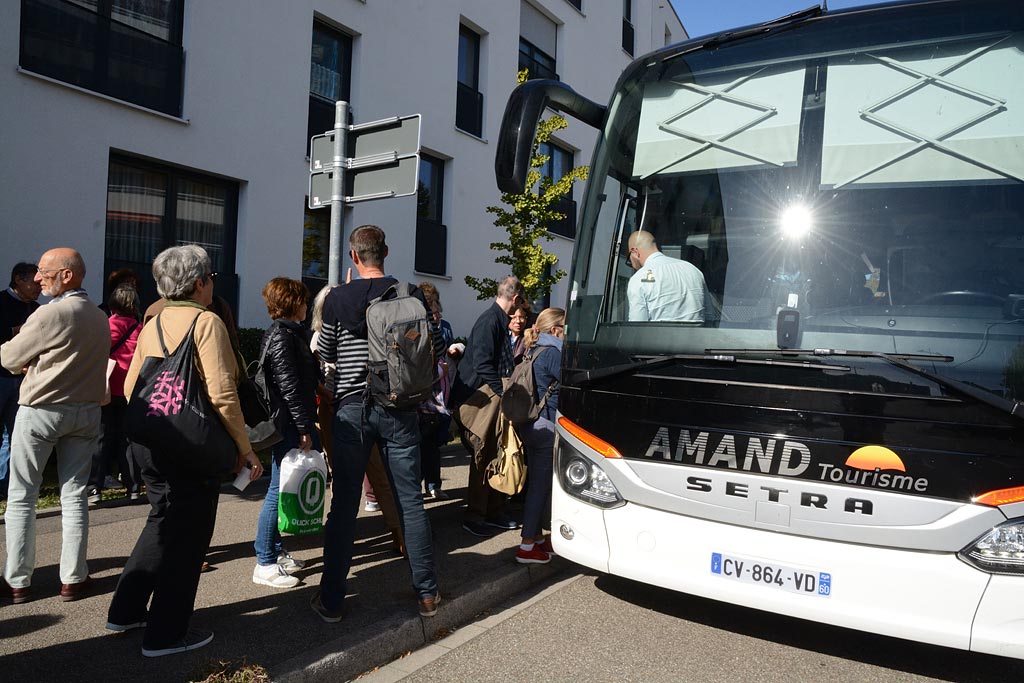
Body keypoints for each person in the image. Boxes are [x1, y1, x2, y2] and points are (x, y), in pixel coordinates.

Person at [106, 245, 262, 657]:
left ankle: (126, 610)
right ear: (199, 283)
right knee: (189, 537)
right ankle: (166, 634)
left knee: (161, 520)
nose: (213, 284)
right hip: (190, 446)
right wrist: (244, 448)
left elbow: (128, 388)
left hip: (147, 442)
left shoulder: (153, 321)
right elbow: (223, 394)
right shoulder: (206, 322)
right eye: (211, 277)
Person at [314, 224, 444, 622]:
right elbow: (433, 350)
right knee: (410, 502)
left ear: (354, 256)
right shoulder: (411, 295)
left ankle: (332, 600)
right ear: (385, 252)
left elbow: (327, 352)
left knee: (345, 505)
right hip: (400, 408)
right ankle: (427, 595)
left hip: (352, 409)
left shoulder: (337, 298)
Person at [0, 248, 109, 604]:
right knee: (75, 496)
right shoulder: (98, 316)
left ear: (67, 274)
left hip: (42, 409)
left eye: (44, 271)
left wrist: (28, 364)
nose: (37, 277)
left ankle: (18, 580)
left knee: (21, 496)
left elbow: (8, 357)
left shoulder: (49, 313)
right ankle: (73, 578)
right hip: (86, 411)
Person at [252, 277, 320, 589]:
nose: (307, 305)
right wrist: (305, 429)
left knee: (281, 486)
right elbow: (290, 388)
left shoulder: (288, 333)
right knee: (277, 489)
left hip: (292, 422)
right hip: (290, 425)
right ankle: (264, 561)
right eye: (304, 301)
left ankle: (276, 552)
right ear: (293, 303)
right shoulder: (283, 336)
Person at [450, 275, 526, 537]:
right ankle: (475, 516)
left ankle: (493, 512)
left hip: (485, 399)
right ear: (515, 299)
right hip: (477, 401)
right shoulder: (490, 321)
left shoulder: (496, 320)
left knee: (496, 453)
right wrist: (502, 389)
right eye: (521, 303)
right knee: (484, 455)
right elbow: (482, 363)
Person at [514, 308, 564, 564]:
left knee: (538, 484)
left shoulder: (531, 350)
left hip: (529, 423)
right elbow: (570, 384)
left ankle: (539, 537)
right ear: (555, 330)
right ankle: (526, 546)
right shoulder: (553, 353)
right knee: (540, 487)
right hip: (546, 427)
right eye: (565, 329)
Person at [87, 283, 143, 505]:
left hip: (107, 388)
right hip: (131, 389)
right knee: (127, 439)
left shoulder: (108, 325)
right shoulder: (140, 329)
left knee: (101, 438)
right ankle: (134, 486)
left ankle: (94, 487)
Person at [0, 262, 42, 500]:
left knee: (15, 433)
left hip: (25, 379)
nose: (38, 288)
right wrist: (20, 332)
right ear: (18, 279)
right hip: (1, 376)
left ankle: (6, 485)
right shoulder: (1, 303)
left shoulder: (36, 309)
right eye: (34, 283)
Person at [626, 230, 708, 322]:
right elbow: (710, 317)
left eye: (629, 258)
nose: (631, 263)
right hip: (698, 336)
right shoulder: (693, 270)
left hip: (660, 336)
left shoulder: (639, 278)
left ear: (634, 252)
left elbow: (637, 327)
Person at [508, 301, 532, 365]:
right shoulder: (501, 336)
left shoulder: (530, 338)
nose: (518, 321)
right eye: (514, 317)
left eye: (521, 317)